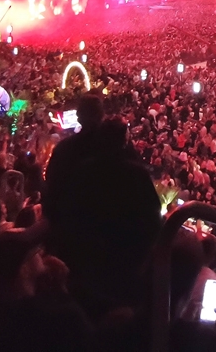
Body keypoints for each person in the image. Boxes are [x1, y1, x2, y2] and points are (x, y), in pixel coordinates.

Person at [43, 95, 162, 313]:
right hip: (121, 261)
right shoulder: (131, 167)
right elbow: (151, 215)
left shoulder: (66, 152)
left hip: (76, 253)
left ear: (79, 117)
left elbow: (51, 197)